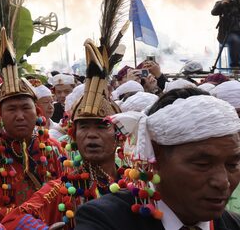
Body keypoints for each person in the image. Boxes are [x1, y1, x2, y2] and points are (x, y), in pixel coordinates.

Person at [76, 89, 240, 229]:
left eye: (232, 165)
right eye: (202, 164)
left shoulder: (234, 225)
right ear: (155, 155)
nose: (222, 182)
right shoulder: (105, 221)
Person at [2, 39, 123, 229]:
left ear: (118, 135)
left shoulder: (137, 185)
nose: (91, 135)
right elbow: (12, 220)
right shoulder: (61, 189)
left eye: (101, 126)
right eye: (83, 127)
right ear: (73, 136)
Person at [0, 28, 64, 220]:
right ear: (0, 115)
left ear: (37, 111)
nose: (20, 116)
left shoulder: (54, 149)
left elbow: (67, 196)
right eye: (11, 109)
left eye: (25, 108)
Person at [213, 0, 240, 69]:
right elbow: (213, 12)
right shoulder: (222, 3)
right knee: (235, 39)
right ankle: (235, 67)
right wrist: (222, 4)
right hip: (226, 34)